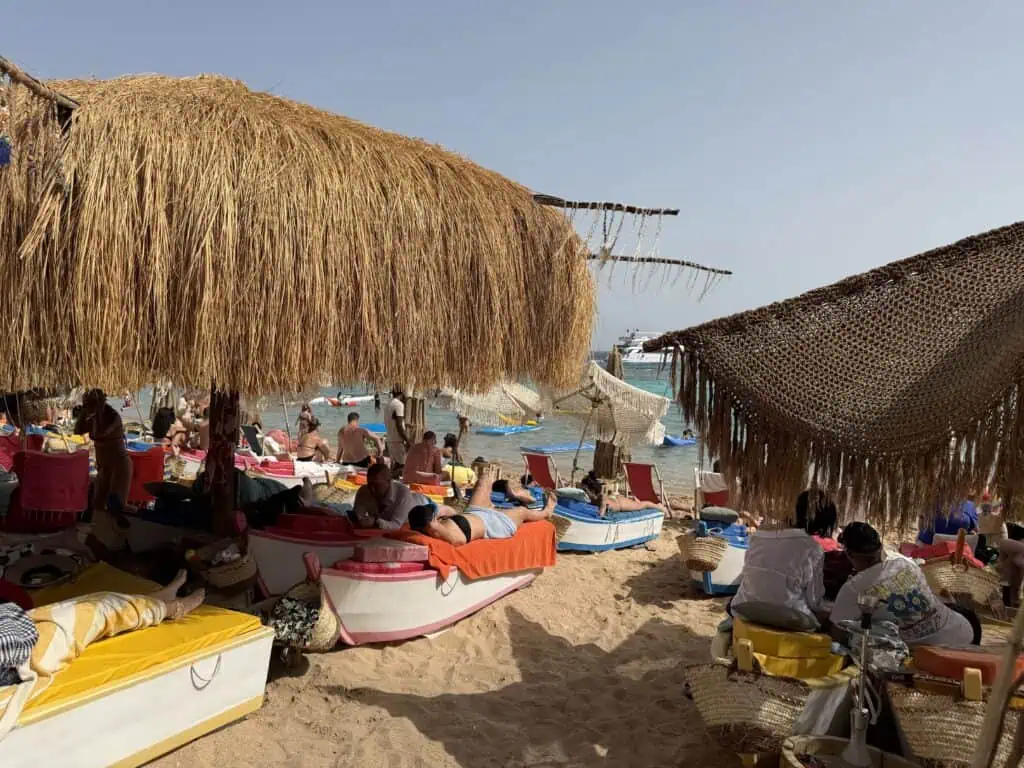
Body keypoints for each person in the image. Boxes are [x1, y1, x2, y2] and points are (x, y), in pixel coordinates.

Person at [0, 570, 205, 731]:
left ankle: (154, 599)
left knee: (87, 603)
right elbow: (17, 643)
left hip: (16, 637)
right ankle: (170, 608)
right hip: (23, 653)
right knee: (97, 610)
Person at [830, 522, 979, 646]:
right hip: (962, 632)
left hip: (927, 651)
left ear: (849, 553)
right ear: (881, 547)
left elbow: (837, 633)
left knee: (854, 636)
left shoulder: (853, 588)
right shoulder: (904, 563)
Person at [729, 489, 832, 630]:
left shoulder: (759, 536)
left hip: (746, 608)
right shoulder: (813, 549)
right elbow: (814, 601)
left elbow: (748, 575)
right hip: (790, 617)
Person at [408, 465, 557, 545]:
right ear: (430, 524)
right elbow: (457, 541)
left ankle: (512, 494)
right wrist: (437, 524)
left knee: (484, 479)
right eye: (433, 517)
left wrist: (444, 512)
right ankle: (546, 512)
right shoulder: (450, 536)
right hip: (493, 523)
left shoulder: (436, 524)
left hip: (475, 512)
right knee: (522, 511)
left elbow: (450, 511)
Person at [74, 389, 133, 514]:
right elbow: (77, 430)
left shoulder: (113, 417)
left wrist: (96, 415)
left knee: (116, 507)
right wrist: (84, 413)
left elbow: (98, 434)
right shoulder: (92, 416)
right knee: (97, 505)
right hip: (104, 467)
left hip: (120, 465)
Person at [350, 462, 428, 530]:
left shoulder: (403, 493)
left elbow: (396, 525)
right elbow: (356, 515)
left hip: (422, 503)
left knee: (436, 512)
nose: (372, 489)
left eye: (376, 485)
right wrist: (359, 519)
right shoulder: (364, 490)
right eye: (370, 484)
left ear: (388, 481)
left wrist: (375, 521)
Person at [579, 470, 668, 517]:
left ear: (593, 490)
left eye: (586, 490)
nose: (584, 492)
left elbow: (601, 513)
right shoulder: (593, 497)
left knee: (643, 504)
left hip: (622, 505)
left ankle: (660, 507)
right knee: (637, 503)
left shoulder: (602, 497)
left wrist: (598, 515)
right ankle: (633, 499)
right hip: (617, 499)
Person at [383, 388, 410, 468]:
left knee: (394, 466)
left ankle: (390, 478)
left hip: (390, 439)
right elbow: (399, 425)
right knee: (402, 466)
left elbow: (394, 421)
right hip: (397, 440)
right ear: (403, 393)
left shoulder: (388, 404)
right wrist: (407, 441)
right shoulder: (399, 405)